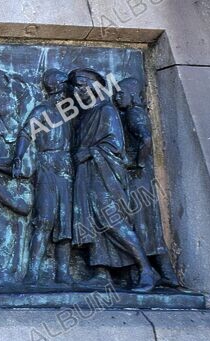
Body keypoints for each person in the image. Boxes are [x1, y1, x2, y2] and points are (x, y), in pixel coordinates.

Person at [69, 68, 156, 291]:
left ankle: (145, 268)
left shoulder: (106, 110)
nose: (78, 90)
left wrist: (89, 152)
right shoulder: (86, 113)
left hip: (104, 173)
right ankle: (102, 272)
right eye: (76, 86)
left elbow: (115, 144)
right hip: (86, 173)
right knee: (91, 221)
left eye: (82, 85)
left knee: (111, 220)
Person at [114, 77, 179, 287]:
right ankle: (167, 275)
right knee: (148, 226)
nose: (117, 97)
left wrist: (136, 163)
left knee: (141, 224)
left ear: (132, 95)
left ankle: (148, 274)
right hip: (141, 178)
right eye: (116, 93)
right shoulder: (131, 113)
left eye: (121, 94)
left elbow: (146, 140)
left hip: (137, 178)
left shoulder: (134, 114)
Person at [12, 69, 74, 284]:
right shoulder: (43, 110)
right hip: (46, 165)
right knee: (45, 220)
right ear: (57, 87)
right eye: (66, 84)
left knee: (65, 222)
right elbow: (26, 133)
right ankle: (33, 272)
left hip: (66, 167)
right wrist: (18, 157)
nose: (70, 88)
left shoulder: (70, 111)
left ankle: (63, 272)